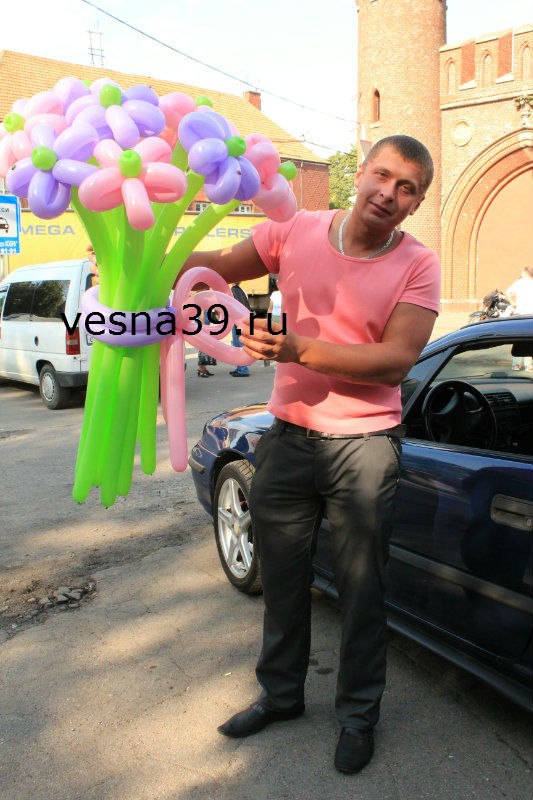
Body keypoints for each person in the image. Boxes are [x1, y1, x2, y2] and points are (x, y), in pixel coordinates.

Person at [200, 136, 443, 773]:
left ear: (416, 203)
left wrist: (298, 349)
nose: (389, 194)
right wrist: (145, 264)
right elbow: (219, 266)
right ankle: (281, 696)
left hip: (364, 446)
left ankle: (358, 715)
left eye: (407, 188)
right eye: (382, 176)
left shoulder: (418, 264)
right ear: (359, 174)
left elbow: (395, 361)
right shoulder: (296, 229)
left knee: (362, 589)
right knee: (282, 579)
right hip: (288, 437)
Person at [507, 267, 533, 371]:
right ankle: (528, 366)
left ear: (525, 274)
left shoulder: (519, 283)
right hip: (531, 316)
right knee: (529, 340)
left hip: (520, 315)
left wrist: (513, 304)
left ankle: (516, 365)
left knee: (518, 339)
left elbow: (508, 293)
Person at [229, 282, 251, 377]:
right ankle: (240, 368)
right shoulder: (242, 291)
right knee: (239, 344)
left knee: (238, 345)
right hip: (244, 322)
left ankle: (243, 369)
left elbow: (233, 307)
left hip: (237, 323)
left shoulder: (233, 291)